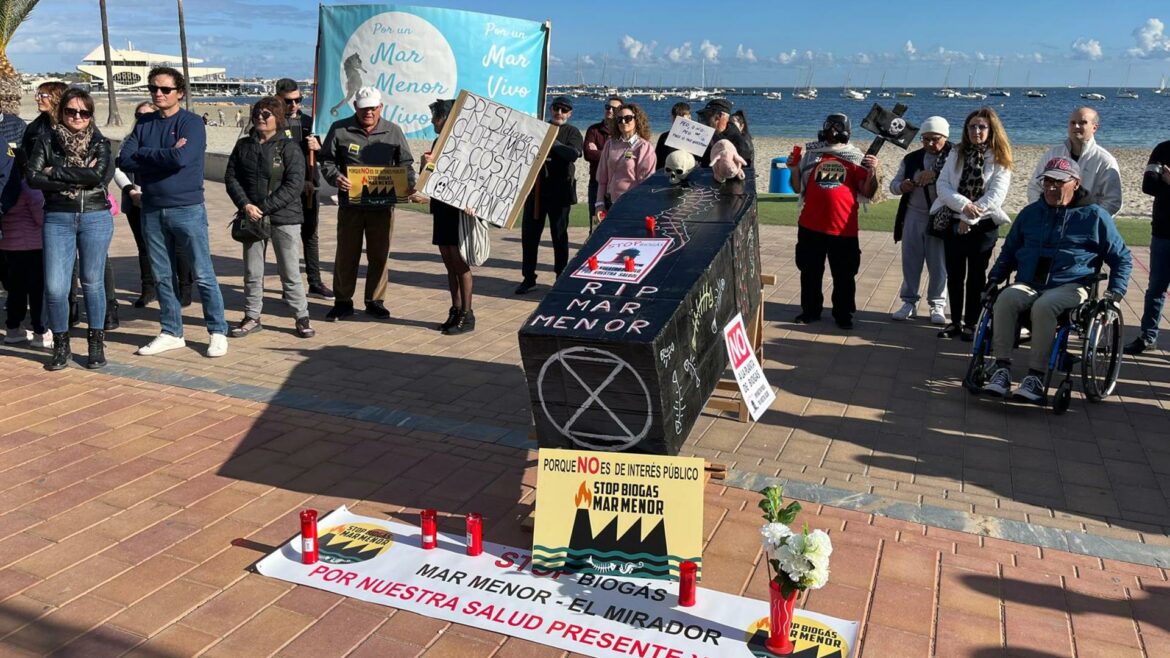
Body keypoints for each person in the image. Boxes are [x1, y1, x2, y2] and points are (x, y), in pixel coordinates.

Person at [981, 157, 1132, 401]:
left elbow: (1122, 257)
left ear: (1075, 183)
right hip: (1030, 283)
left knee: (1044, 306)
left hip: (1072, 284)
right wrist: (995, 277)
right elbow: (1009, 251)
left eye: (1058, 182)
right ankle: (1001, 369)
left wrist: (1115, 294)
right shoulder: (1030, 213)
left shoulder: (1095, 216)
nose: (1051, 188)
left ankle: (1035, 376)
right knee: (1005, 298)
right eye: (1047, 182)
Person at [117, 66, 229, 358]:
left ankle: (217, 331)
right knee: (162, 274)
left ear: (180, 93)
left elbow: (182, 158)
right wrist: (162, 155)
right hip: (152, 207)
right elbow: (125, 158)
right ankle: (171, 331)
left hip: (187, 208)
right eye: (154, 88)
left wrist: (150, 155)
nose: (158, 94)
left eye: (165, 89)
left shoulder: (191, 123)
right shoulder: (144, 123)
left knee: (203, 273)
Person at [26, 88, 114, 370]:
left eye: (84, 112)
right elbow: (33, 177)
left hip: (94, 216)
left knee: (92, 282)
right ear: (61, 112)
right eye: (71, 111)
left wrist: (56, 171)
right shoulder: (45, 140)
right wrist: (74, 179)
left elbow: (98, 175)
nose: (77, 117)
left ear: (91, 115)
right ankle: (61, 345)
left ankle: (95, 345)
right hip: (58, 217)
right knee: (55, 287)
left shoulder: (100, 143)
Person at [318, 86, 415, 321]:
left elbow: (406, 164)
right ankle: (343, 301)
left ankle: (375, 301)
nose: (368, 113)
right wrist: (335, 177)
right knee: (346, 255)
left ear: (380, 107)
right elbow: (327, 161)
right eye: (364, 109)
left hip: (382, 206)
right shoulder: (340, 129)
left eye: (372, 108)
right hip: (351, 205)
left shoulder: (393, 131)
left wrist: (409, 184)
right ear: (356, 108)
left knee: (379, 255)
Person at [224, 96, 315, 340]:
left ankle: (301, 316)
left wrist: (262, 207)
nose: (261, 118)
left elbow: (294, 185)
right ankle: (252, 316)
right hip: (251, 217)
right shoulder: (243, 145)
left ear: (278, 118)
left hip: (285, 218)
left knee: (290, 271)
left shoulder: (289, 148)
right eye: (257, 114)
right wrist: (245, 205)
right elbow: (231, 178)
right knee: (253, 271)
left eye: (267, 114)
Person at [788, 112, 880, 330]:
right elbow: (798, 188)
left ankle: (843, 314)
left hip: (843, 229)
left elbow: (867, 192)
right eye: (829, 127)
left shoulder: (856, 157)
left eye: (837, 128)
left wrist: (873, 170)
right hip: (811, 225)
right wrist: (794, 169)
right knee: (809, 272)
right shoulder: (812, 155)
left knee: (845, 276)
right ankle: (810, 311)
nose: (832, 132)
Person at [932, 107, 1013, 341]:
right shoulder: (956, 153)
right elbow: (943, 185)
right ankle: (955, 321)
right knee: (955, 275)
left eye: (981, 127)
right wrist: (964, 207)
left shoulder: (1000, 157)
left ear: (991, 130)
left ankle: (971, 323)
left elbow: (996, 195)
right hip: (953, 221)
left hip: (983, 226)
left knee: (977, 276)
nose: (976, 131)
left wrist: (970, 218)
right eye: (972, 127)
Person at [415, 98, 476, 332]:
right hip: (441, 207)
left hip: (457, 210)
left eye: (436, 117)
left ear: (447, 119)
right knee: (449, 263)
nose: (432, 121)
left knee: (460, 263)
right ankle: (456, 308)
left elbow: (472, 177)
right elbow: (428, 180)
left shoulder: (463, 144)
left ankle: (467, 314)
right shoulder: (438, 140)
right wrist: (424, 165)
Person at [516, 95, 584, 295]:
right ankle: (528, 278)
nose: (559, 113)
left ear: (569, 113)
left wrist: (551, 143)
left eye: (564, 110)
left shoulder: (572, 132)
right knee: (529, 236)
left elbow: (573, 154)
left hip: (560, 192)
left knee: (559, 235)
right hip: (536, 191)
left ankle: (560, 276)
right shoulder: (540, 129)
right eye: (556, 108)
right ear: (551, 109)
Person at [890, 116, 952, 324]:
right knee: (911, 261)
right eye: (925, 139)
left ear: (945, 137)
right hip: (913, 214)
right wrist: (903, 186)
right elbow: (894, 184)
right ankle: (909, 301)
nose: (930, 144)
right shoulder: (911, 159)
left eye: (935, 139)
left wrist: (936, 174)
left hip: (940, 216)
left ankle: (937, 304)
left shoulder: (954, 156)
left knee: (938, 263)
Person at [275, 78, 333, 300]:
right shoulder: (272, 125)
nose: (294, 105)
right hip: (285, 190)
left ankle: (315, 282)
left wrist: (317, 148)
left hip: (310, 187)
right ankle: (289, 285)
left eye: (298, 100)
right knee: (286, 238)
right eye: (289, 101)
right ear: (278, 99)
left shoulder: (310, 124)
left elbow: (324, 157)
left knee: (310, 235)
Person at [1026, 107, 1122, 217]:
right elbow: (1034, 187)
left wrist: (1091, 220)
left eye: (1082, 123)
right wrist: (1043, 212)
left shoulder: (1105, 160)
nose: (1076, 126)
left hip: (1085, 226)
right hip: (1050, 220)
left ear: (1094, 127)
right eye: (1072, 122)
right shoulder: (1053, 154)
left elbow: (1113, 202)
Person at [1124, 140, 1170, 355]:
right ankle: (1148, 336)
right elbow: (1148, 185)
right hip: (1162, 231)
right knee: (1155, 289)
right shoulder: (1163, 150)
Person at [0, 181, 47, 348]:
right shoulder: (29, 186)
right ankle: (40, 332)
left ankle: (13, 329)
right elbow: (41, 216)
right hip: (32, 244)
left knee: (15, 288)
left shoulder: (4, 184)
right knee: (37, 290)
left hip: (8, 243)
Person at [595, 103, 655, 212]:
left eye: (628, 118)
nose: (623, 122)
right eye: (619, 119)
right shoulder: (610, 144)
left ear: (636, 120)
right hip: (610, 203)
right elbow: (602, 178)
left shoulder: (644, 147)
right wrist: (599, 204)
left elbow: (645, 183)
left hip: (633, 205)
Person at [584, 96, 622, 227]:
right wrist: (614, 156)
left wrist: (600, 152)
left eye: (614, 108)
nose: (610, 110)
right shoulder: (593, 130)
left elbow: (624, 158)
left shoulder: (623, 132)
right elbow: (588, 154)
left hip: (618, 184)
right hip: (596, 183)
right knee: (596, 223)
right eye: (608, 107)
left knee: (616, 224)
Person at [697, 98, 753, 167]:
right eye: (702, 116)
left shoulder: (738, 143)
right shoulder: (707, 135)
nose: (703, 120)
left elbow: (745, 172)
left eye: (706, 116)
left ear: (719, 116)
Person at [654, 102, 690, 168]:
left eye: (682, 118)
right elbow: (658, 161)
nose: (680, 122)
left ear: (689, 118)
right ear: (673, 118)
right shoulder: (664, 137)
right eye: (677, 118)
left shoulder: (694, 139)